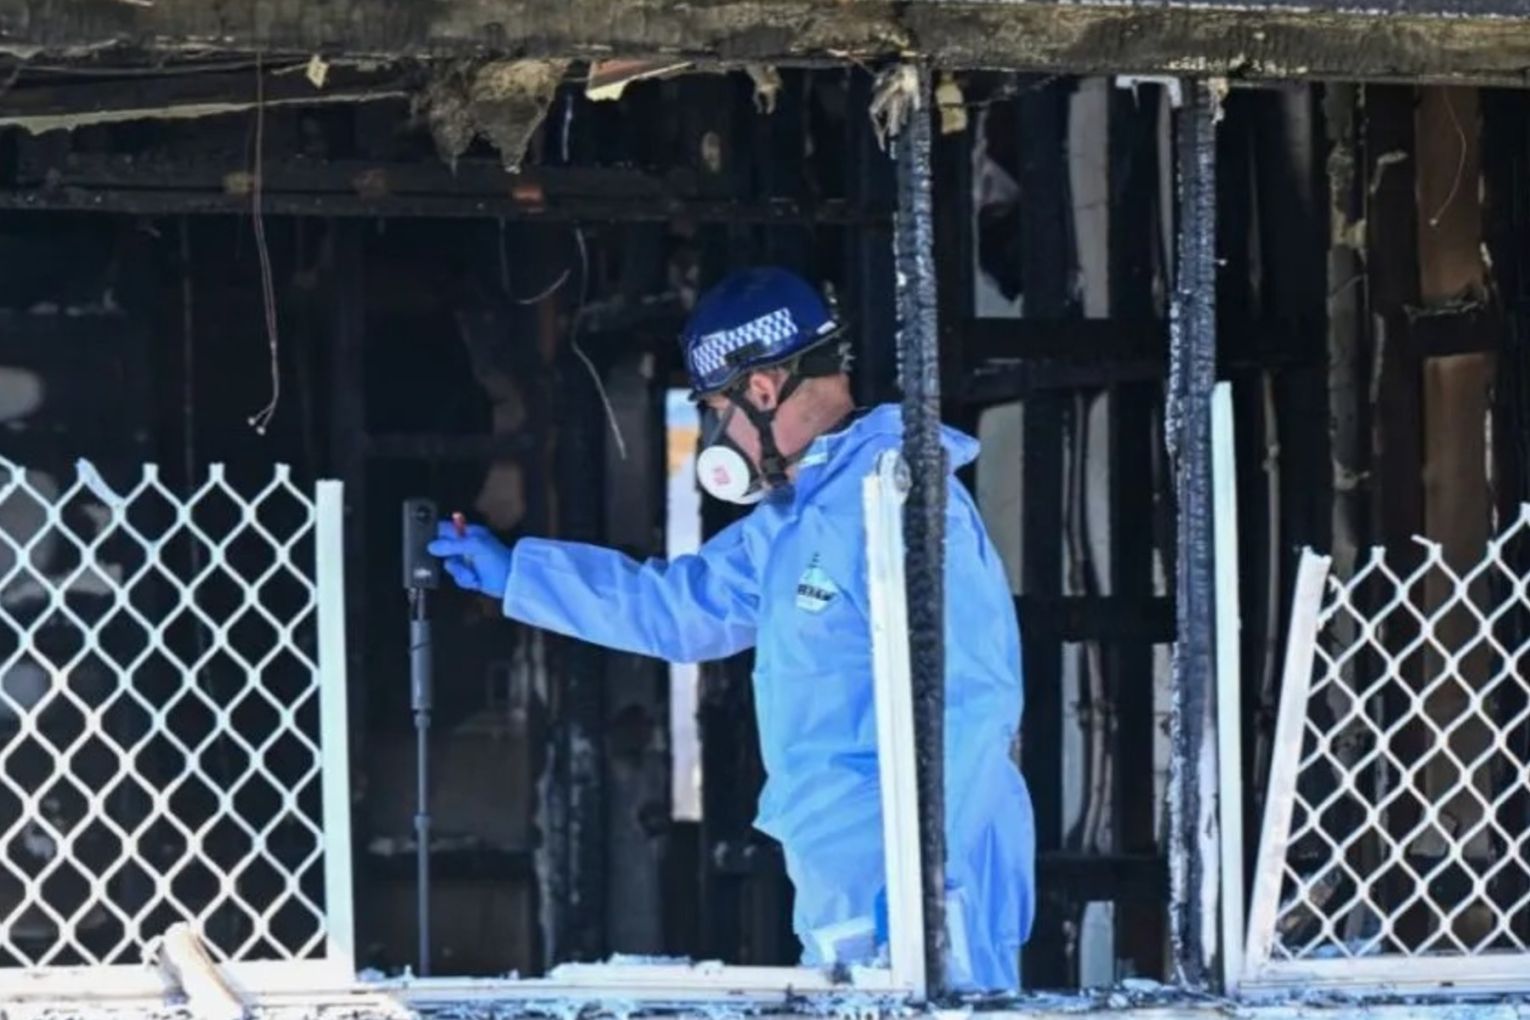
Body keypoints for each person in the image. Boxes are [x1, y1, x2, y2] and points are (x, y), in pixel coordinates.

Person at [427, 267, 1034, 991]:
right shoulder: (797, 518)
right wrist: (523, 577)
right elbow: (683, 610)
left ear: (765, 389)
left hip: (927, 883)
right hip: (849, 872)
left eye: (719, 408)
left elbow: (975, 699)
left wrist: (927, 880)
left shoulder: (900, 501)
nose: (720, 436)